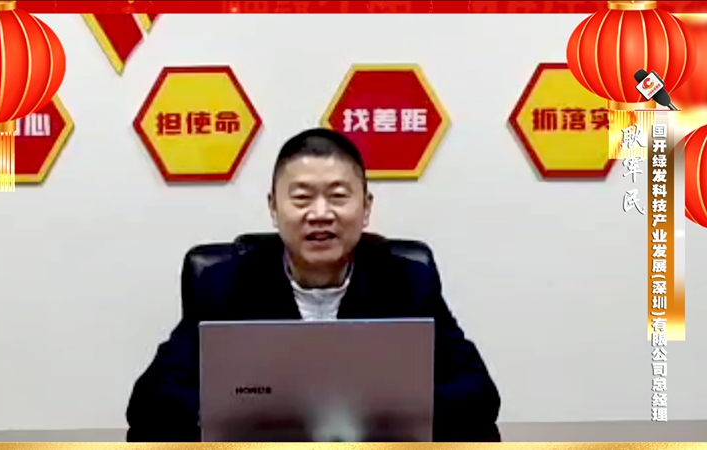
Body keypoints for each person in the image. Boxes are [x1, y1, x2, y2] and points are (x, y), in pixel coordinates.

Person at [126, 128, 500, 442]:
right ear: (274, 208)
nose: (320, 214)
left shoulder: (408, 281)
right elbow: (150, 401)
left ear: (366, 208)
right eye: (302, 198)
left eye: (338, 196)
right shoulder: (224, 284)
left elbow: (479, 393)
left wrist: (391, 414)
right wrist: (230, 415)